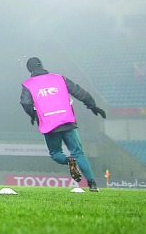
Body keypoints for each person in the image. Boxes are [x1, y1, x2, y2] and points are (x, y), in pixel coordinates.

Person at [20, 57, 105, 192]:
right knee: (78, 152)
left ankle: (68, 161)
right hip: (67, 120)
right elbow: (79, 92)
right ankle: (92, 184)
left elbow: (25, 103)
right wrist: (92, 106)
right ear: (42, 65)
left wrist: (33, 115)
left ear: (29, 69)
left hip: (49, 124)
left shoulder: (28, 84)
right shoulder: (59, 78)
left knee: (55, 153)